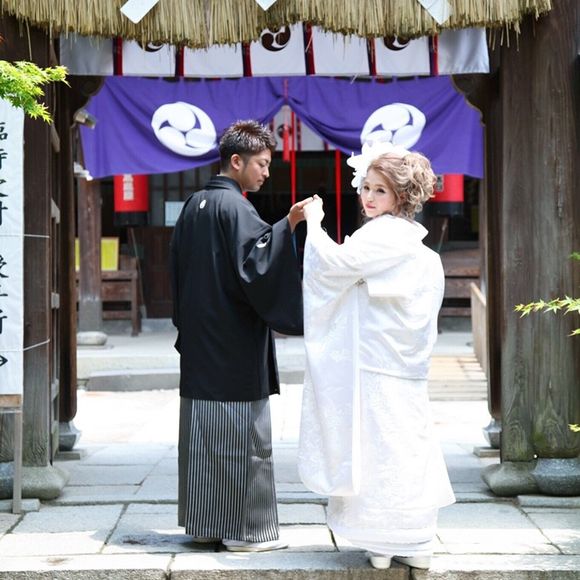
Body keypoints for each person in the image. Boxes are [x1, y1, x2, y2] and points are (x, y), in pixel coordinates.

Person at [298, 142, 455, 570]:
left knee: (375, 448)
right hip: (403, 362)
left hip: (374, 361)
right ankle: (415, 539)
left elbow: (333, 265)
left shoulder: (383, 234)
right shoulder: (414, 242)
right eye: (366, 187)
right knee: (407, 445)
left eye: (380, 190)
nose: (368, 197)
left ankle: (382, 543)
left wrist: (315, 223)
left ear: (401, 196)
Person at [171, 120, 311, 553]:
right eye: (262, 164)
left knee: (202, 436)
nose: (266, 172)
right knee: (244, 440)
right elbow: (258, 267)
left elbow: (178, 273)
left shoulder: (192, 205)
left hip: (200, 344)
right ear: (236, 161)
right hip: (233, 346)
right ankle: (243, 532)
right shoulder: (237, 209)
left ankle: (205, 523)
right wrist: (289, 223)